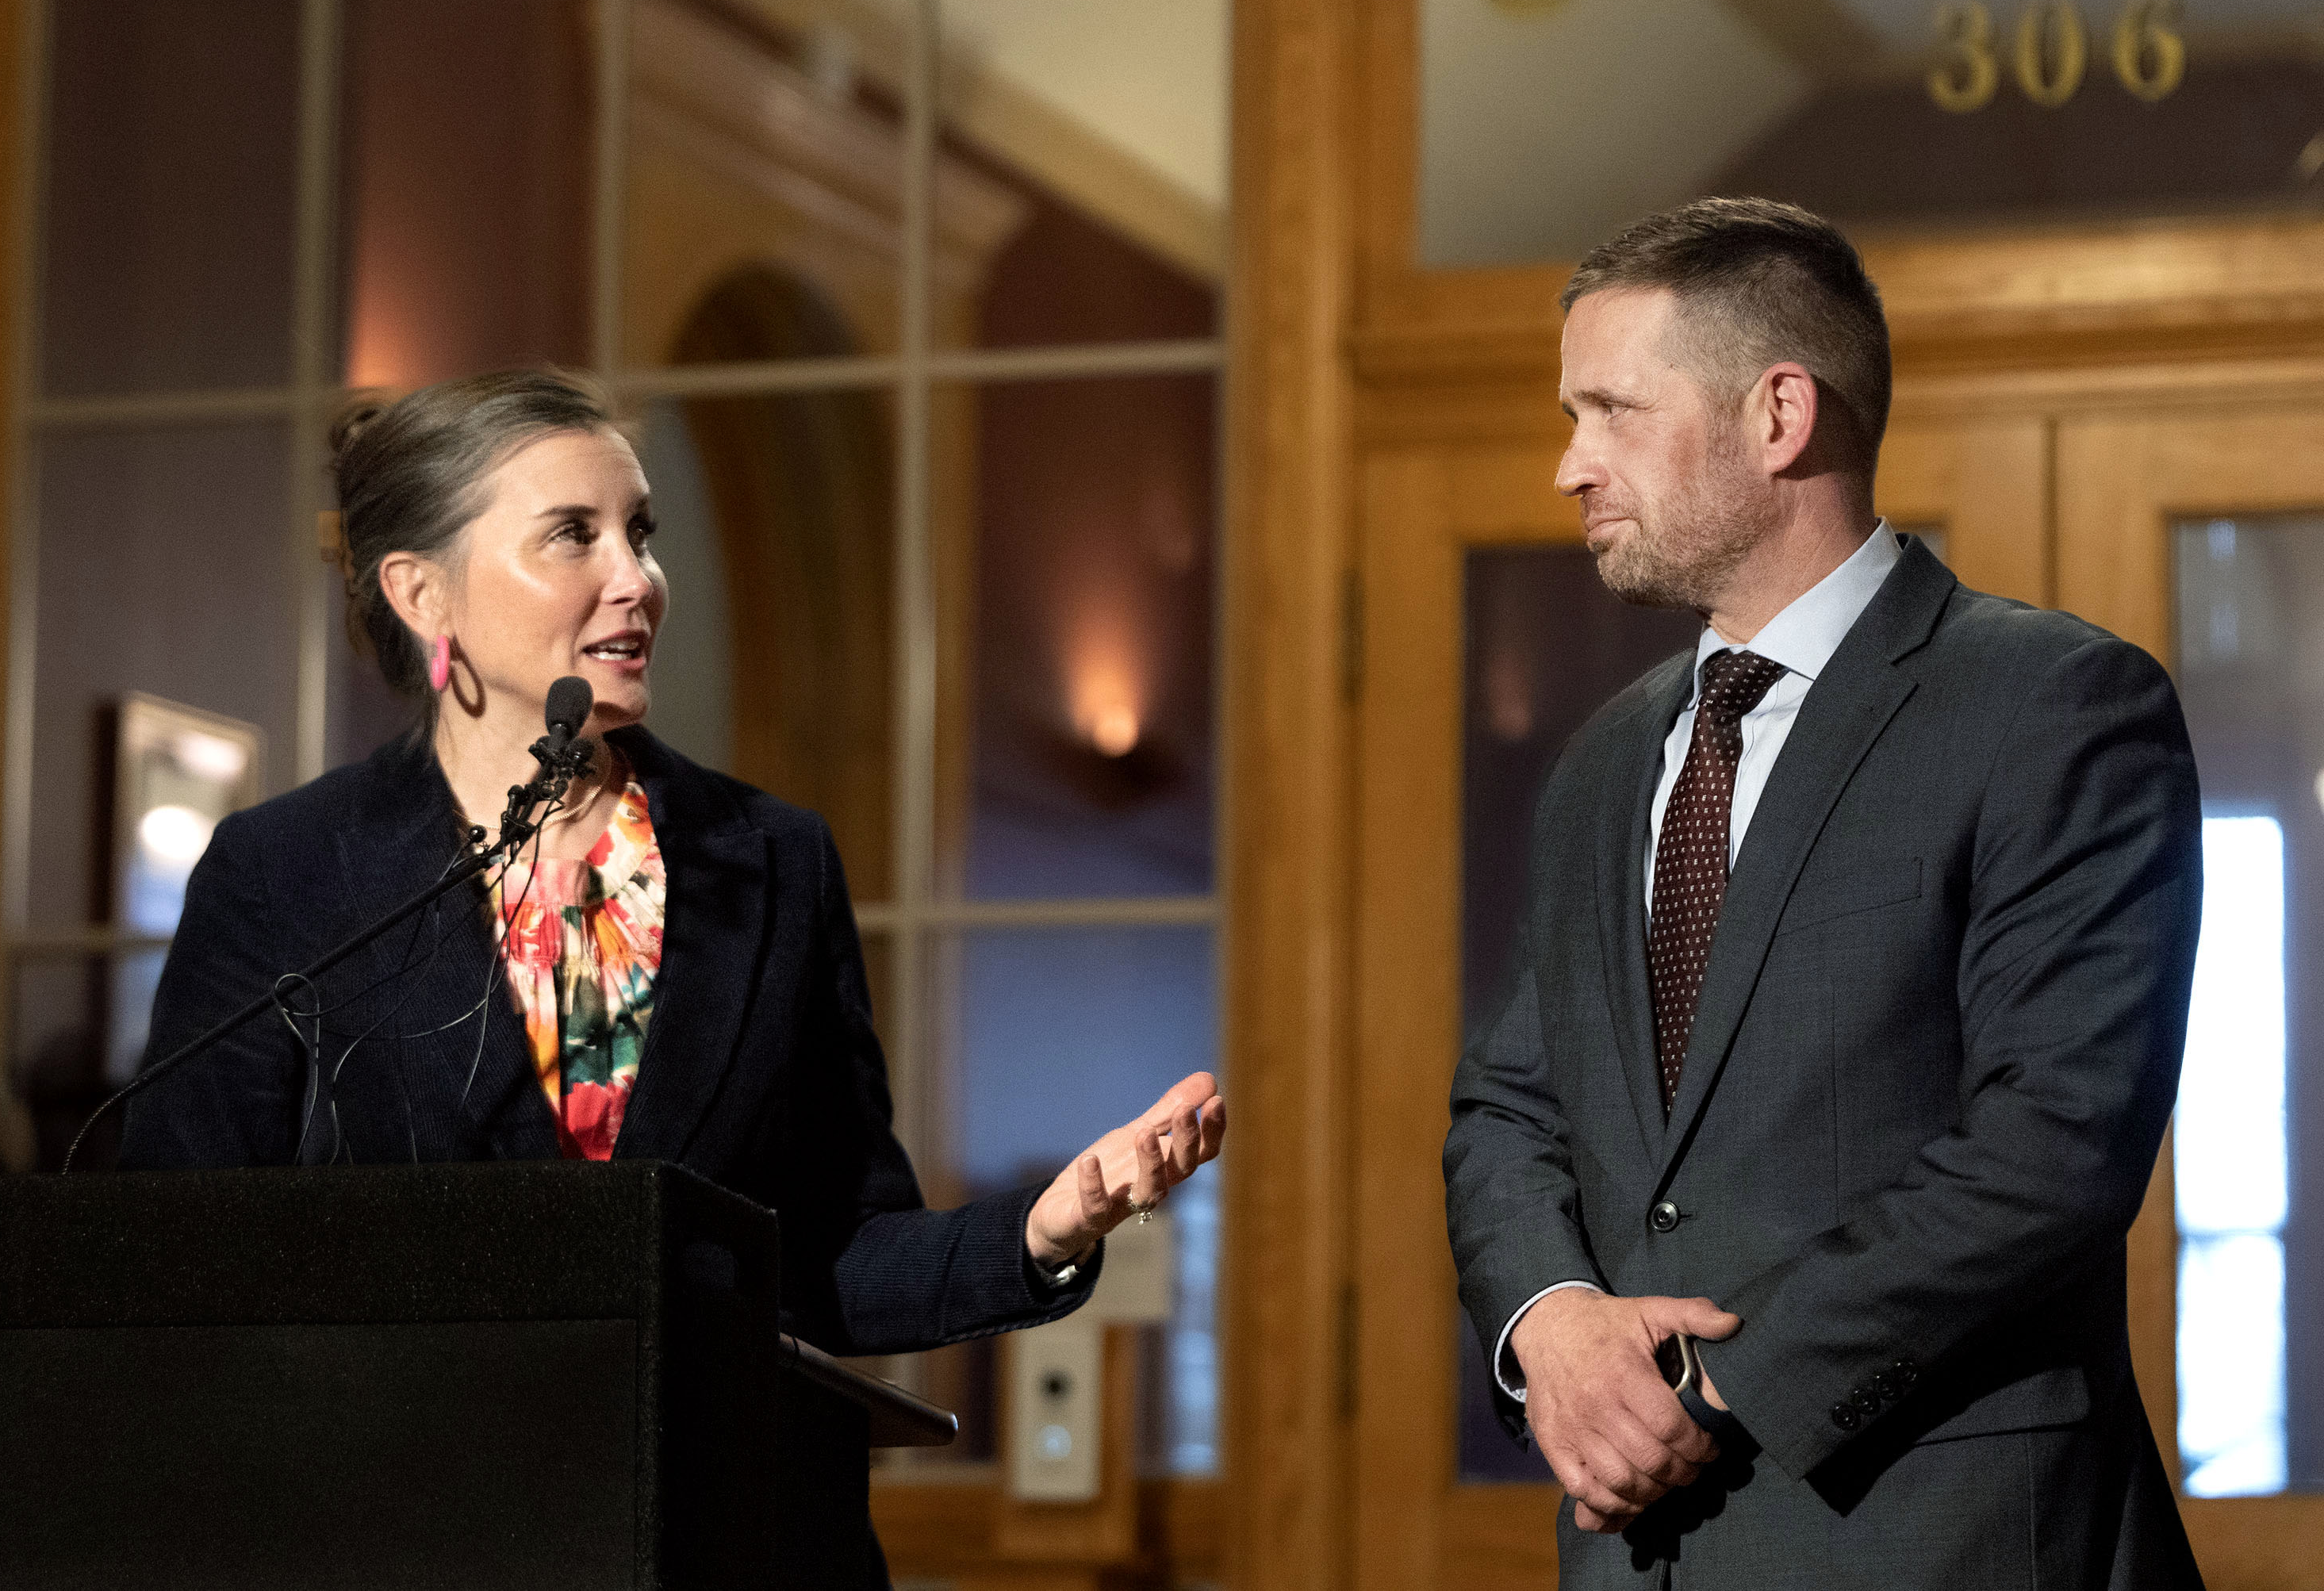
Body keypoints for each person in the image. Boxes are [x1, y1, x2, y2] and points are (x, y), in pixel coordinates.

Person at [121, 370, 1226, 1587]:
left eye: (640, 532)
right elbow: (176, 1263)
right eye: (572, 535)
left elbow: (831, 1249)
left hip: (739, 1546)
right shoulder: (286, 875)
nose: (637, 579)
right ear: (421, 591)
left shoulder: (773, 859)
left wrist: (1044, 1228)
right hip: (418, 1541)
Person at [1444, 198, 2204, 1586]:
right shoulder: (1606, 761)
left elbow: (2054, 1148)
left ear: (1779, 413)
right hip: (1634, 1555)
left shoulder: (2058, 707)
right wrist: (1551, 1326)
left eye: (1610, 410)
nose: (1569, 465)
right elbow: (1510, 1108)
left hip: (1943, 1542)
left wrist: (1702, 1395)